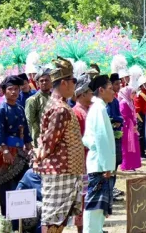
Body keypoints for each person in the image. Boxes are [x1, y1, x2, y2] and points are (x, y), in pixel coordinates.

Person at [35, 57, 85, 232]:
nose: (75, 85)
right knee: (53, 219)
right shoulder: (60, 108)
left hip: (66, 170)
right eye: (73, 81)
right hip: (61, 170)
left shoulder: (59, 104)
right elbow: (49, 142)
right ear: (64, 83)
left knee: (59, 218)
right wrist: (38, 158)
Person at [0, 76, 33, 224]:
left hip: (20, 151)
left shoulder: (20, 108)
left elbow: (27, 132)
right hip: (6, 152)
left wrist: (29, 147)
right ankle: (7, 219)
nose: (14, 92)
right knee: (7, 184)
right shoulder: (0, 110)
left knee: (22, 184)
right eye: (10, 89)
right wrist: (4, 151)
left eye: (16, 89)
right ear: (4, 91)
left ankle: (21, 220)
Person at [82, 75, 116, 233]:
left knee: (99, 206)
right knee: (95, 206)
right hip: (100, 165)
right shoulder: (99, 108)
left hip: (99, 163)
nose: (113, 92)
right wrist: (106, 166)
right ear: (101, 90)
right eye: (110, 89)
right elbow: (101, 138)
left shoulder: (97, 108)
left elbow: (89, 138)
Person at [72, 74, 92, 233]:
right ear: (83, 94)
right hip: (82, 160)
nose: (92, 96)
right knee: (82, 197)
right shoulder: (76, 112)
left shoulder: (90, 109)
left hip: (92, 159)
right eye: (90, 93)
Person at [107, 73, 125, 201]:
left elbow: (119, 117)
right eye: (116, 84)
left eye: (119, 83)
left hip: (117, 134)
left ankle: (111, 190)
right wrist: (118, 119)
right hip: (110, 136)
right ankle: (109, 191)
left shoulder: (115, 99)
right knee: (111, 165)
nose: (119, 86)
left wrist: (119, 120)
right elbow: (110, 117)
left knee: (116, 163)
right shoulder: (108, 100)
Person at [26, 68, 53, 147]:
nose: (44, 82)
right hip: (39, 140)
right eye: (41, 81)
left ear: (51, 82)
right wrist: (28, 142)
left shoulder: (56, 97)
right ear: (37, 83)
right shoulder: (32, 100)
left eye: (46, 80)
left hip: (53, 139)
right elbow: (28, 122)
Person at [118, 86, 141, 171]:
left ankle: (132, 165)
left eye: (135, 92)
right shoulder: (123, 103)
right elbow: (124, 115)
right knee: (127, 147)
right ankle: (126, 165)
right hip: (127, 128)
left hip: (132, 127)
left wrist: (135, 123)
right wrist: (132, 123)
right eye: (133, 93)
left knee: (133, 145)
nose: (134, 94)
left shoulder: (130, 102)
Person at [134, 70, 146, 159]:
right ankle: (141, 152)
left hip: (145, 115)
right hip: (141, 116)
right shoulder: (140, 94)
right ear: (142, 85)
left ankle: (143, 151)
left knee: (145, 133)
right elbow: (137, 108)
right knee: (141, 134)